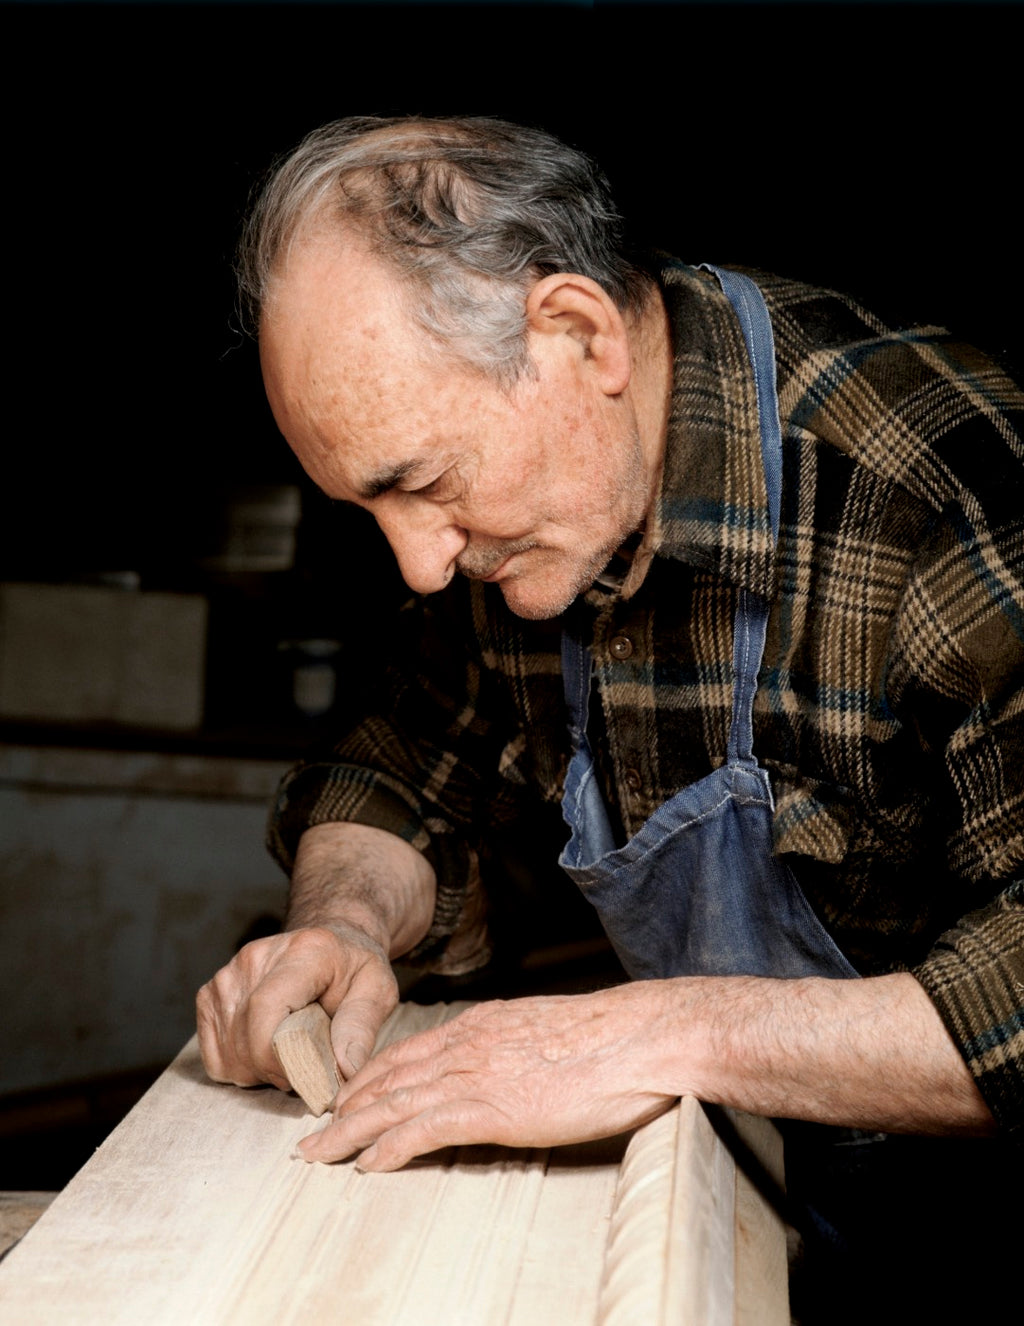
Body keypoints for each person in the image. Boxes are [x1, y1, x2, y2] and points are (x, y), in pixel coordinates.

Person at [196, 116, 1024, 1319]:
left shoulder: (939, 488)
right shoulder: (522, 526)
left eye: (424, 483)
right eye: (367, 509)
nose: (421, 565)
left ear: (577, 334)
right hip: (765, 1210)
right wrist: (347, 923)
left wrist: (651, 1036)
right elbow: (403, 762)